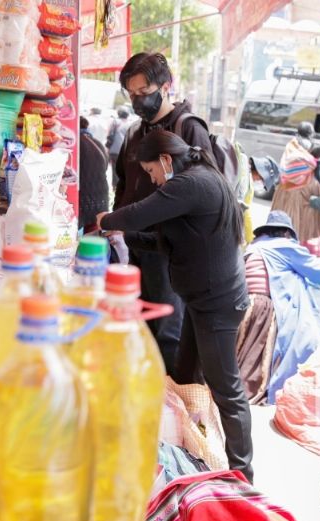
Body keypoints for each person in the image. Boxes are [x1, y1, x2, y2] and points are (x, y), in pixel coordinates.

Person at [97, 130, 253, 482]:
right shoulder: (194, 183)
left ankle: (242, 474)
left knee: (227, 390)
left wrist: (106, 221)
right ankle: (196, 454)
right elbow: (166, 242)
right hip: (202, 302)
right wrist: (123, 236)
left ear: (166, 160)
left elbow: (138, 214)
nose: (152, 180)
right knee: (184, 379)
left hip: (218, 305)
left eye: (151, 171)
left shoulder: (192, 184)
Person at [113, 52, 216, 372]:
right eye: (131, 94)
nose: (137, 101)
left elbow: (210, 192)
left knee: (169, 336)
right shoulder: (133, 133)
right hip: (137, 248)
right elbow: (123, 185)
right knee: (138, 330)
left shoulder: (188, 129)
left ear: (166, 86)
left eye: (144, 93)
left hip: (174, 255)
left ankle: (171, 411)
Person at [235, 210, 320, 405]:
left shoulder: (254, 247)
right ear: (286, 233)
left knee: (241, 354)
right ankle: (243, 397)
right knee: (255, 362)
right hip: (262, 305)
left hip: (242, 302)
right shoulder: (285, 246)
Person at [272, 121, 320, 257]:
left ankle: (284, 244)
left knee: (288, 218)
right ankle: (303, 248)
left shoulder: (291, 145)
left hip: (287, 188)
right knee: (307, 222)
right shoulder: (316, 147)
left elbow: (283, 166)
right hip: (308, 188)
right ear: (311, 134)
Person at [78, 116, 109, 233]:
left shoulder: (76, 144)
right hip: (100, 198)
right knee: (92, 235)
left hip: (84, 198)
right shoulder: (97, 143)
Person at [106, 106, 130, 188]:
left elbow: (110, 136)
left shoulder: (115, 122)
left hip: (115, 151)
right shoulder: (130, 124)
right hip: (126, 151)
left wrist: (107, 148)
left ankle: (115, 187)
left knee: (114, 170)